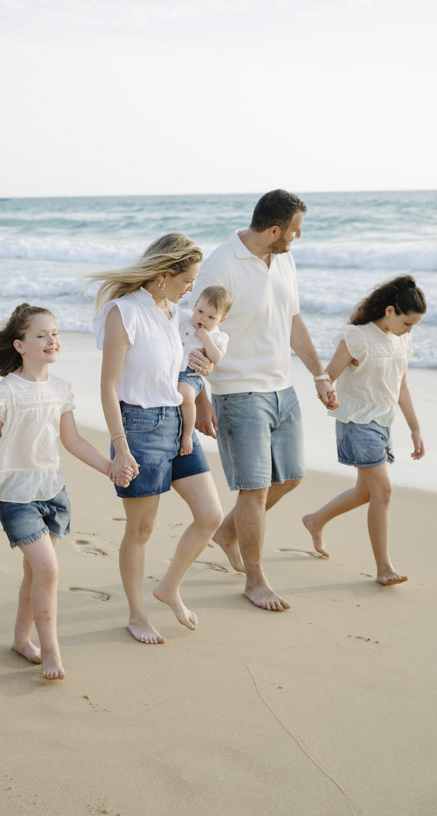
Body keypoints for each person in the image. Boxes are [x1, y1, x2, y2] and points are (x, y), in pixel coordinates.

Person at [0, 303, 134, 681]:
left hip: (53, 492)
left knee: (34, 572)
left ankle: (21, 640)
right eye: (41, 335)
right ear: (20, 345)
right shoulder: (5, 393)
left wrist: (109, 468)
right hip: (15, 496)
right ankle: (51, 651)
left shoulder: (61, 389)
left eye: (54, 333)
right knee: (48, 569)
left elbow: (73, 440)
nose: (52, 340)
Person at [194, 189, 337, 612]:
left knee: (290, 477)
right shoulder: (220, 266)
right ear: (274, 230)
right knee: (253, 490)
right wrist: (200, 399)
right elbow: (195, 333)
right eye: (295, 230)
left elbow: (293, 320)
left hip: (281, 387)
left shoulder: (284, 259)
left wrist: (320, 374)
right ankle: (255, 581)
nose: (298, 237)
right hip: (238, 391)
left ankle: (227, 531)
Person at [91, 233, 224, 645]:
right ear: (164, 274)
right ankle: (136, 614)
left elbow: (185, 366)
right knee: (141, 530)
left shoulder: (176, 315)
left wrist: (203, 375)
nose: (191, 289)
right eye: (187, 280)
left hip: (176, 423)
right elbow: (108, 387)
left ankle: (169, 587)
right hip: (138, 428)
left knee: (211, 515)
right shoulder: (124, 313)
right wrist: (121, 447)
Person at [302, 276, 426, 586]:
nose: (409, 331)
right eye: (407, 323)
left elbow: (402, 387)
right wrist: (328, 394)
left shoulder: (402, 340)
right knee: (383, 491)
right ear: (390, 311)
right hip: (357, 423)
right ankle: (384, 568)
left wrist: (415, 428)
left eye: (414, 326)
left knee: (365, 492)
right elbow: (327, 377)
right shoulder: (358, 338)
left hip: (383, 423)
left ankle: (315, 520)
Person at [177, 285, 231, 456]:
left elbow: (216, 357)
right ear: (195, 305)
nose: (203, 318)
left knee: (185, 394)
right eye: (200, 311)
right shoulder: (185, 318)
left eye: (211, 317)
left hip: (190, 373)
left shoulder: (217, 336)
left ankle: (187, 435)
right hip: (173, 367)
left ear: (221, 320)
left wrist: (206, 337)